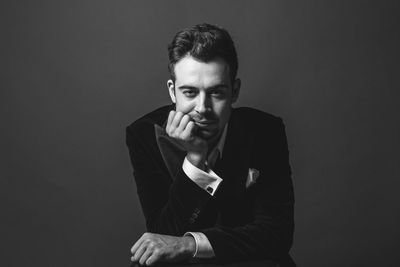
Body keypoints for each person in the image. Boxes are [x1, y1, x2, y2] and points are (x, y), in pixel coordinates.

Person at [126, 23, 295, 266]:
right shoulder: (144, 135)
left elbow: (277, 233)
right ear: (173, 92)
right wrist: (196, 160)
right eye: (190, 92)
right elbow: (162, 232)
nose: (202, 108)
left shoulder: (265, 131)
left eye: (216, 93)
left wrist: (190, 244)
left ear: (234, 91)